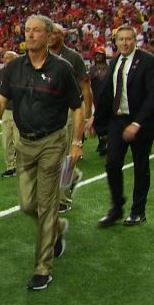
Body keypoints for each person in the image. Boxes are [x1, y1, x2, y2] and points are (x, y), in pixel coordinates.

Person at [0, 15, 84, 290]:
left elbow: (78, 106)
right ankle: (57, 228)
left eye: (36, 31)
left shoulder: (61, 69)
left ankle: (43, 268)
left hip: (52, 141)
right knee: (27, 204)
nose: (31, 35)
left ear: (49, 36)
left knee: (47, 204)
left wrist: (77, 142)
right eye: (27, 30)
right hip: (25, 144)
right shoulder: (14, 68)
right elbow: (0, 102)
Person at [94, 25, 154, 227]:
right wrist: (94, 119)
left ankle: (138, 211)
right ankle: (116, 207)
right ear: (115, 41)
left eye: (128, 39)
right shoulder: (114, 61)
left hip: (142, 120)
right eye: (120, 39)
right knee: (112, 163)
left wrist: (137, 123)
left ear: (135, 40)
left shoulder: (149, 61)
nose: (124, 43)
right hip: (118, 119)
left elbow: (152, 96)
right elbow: (107, 93)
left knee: (141, 165)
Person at [48, 23, 92, 213]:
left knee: (65, 155)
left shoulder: (73, 57)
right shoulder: (42, 56)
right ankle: (71, 179)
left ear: (63, 36)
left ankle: (64, 198)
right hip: (47, 110)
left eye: (55, 33)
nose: (50, 36)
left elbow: (85, 86)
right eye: (49, 32)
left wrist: (88, 114)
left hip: (68, 108)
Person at [0, 51, 19, 177]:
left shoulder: (23, 72)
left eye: (9, 58)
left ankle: (24, 165)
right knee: (6, 140)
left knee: (20, 141)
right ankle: (10, 166)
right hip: (7, 111)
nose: (6, 60)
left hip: (21, 111)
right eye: (5, 58)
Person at [88, 46, 109, 156]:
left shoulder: (109, 69)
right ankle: (101, 142)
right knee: (97, 122)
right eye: (96, 54)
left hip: (107, 99)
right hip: (95, 99)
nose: (98, 56)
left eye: (100, 54)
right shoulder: (92, 70)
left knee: (107, 121)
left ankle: (106, 142)